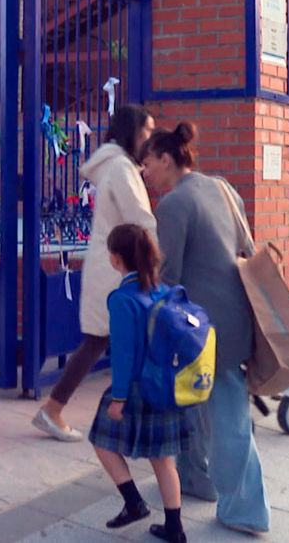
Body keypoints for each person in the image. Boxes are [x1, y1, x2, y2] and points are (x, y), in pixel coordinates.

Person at [142, 122, 270, 535]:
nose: (145, 174)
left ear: (165, 158)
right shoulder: (222, 188)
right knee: (194, 406)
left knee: (227, 419)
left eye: (147, 164)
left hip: (204, 332)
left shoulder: (174, 205)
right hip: (232, 320)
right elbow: (246, 248)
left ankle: (247, 511)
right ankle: (197, 482)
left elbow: (169, 274)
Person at [33, 105, 157, 441]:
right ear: (132, 132)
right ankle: (56, 410)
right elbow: (141, 220)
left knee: (104, 341)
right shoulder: (120, 168)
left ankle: (56, 409)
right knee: (109, 341)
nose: (151, 137)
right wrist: (164, 252)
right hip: (117, 270)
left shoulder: (118, 165)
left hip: (113, 266)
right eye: (147, 130)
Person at [88, 224, 196, 543]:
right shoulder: (165, 291)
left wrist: (118, 399)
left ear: (117, 257)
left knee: (100, 439)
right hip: (166, 386)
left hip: (136, 388)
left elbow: (123, 353)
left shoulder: (122, 299)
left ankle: (134, 503)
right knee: (163, 459)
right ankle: (175, 528)